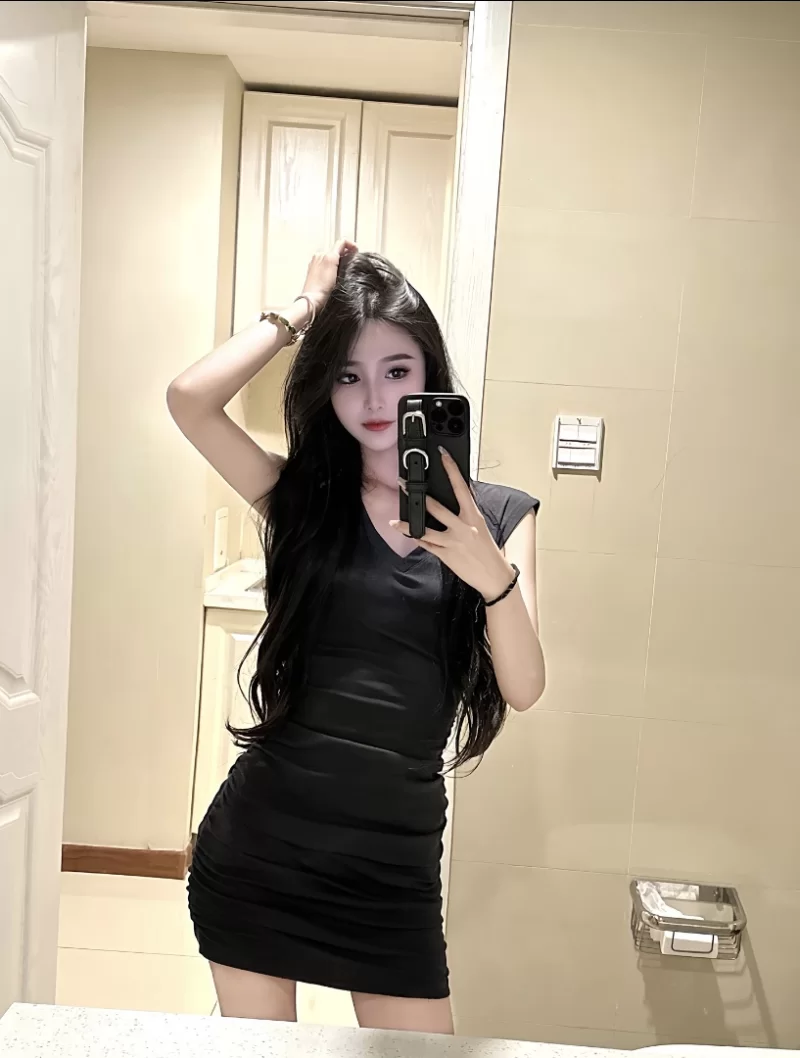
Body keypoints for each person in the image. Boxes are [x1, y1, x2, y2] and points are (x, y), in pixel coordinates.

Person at [167, 243, 545, 1034]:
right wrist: (303, 310)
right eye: (348, 375)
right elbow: (190, 400)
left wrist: (491, 574)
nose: (373, 398)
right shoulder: (303, 500)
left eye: (397, 370)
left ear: (430, 373)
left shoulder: (501, 517)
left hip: (392, 876)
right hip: (261, 853)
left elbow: (524, 686)